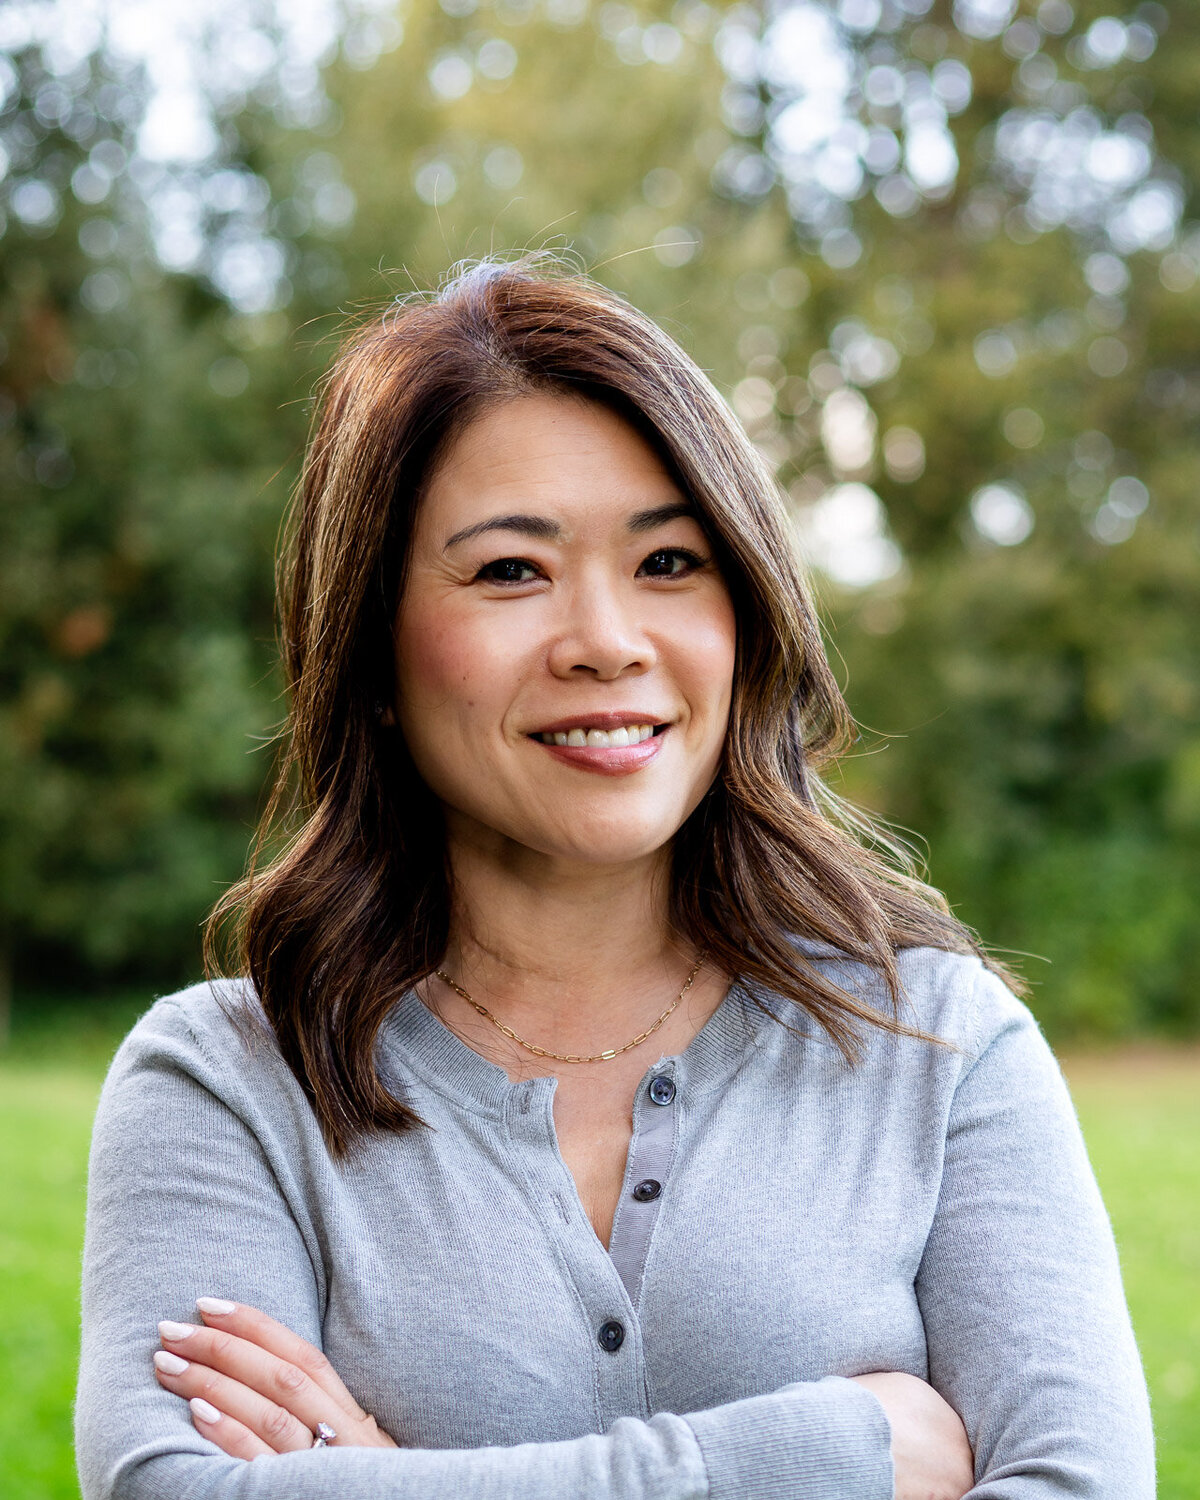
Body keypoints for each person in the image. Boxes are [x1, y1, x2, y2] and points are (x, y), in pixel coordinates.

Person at [76, 254, 1154, 1500]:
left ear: (746, 613)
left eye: (669, 564)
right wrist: (829, 1451)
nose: (606, 642)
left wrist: (391, 1481)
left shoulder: (940, 1048)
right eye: (509, 571)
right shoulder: (225, 1083)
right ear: (370, 648)